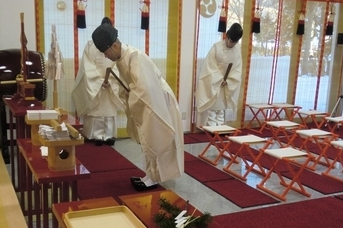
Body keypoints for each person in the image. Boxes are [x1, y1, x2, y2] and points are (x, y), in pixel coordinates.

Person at [91, 23, 184, 190]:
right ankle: (150, 175)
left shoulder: (136, 58)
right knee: (147, 138)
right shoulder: (121, 59)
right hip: (148, 100)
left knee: (155, 137)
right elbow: (133, 87)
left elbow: (145, 89)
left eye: (106, 52)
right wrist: (128, 93)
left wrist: (131, 92)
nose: (106, 57)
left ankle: (154, 178)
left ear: (114, 45)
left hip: (159, 102)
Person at [72, 17, 122, 146]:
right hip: (96, 82)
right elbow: (86, 66)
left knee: (108, 109)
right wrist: (99, 81)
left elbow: (119, 63)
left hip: (110, 81)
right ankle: (97, 135)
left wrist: (110, 80)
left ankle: (108, 135)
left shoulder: (116, 45)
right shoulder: (90, 45)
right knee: (96, 109)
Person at [195, 23, 243, 127]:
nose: (232, 44)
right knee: (212, 110)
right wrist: (218, 79)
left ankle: (220, 129)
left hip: (226, 84)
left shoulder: (237, 50)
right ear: (227, 36)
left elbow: (237, 69)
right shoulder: (216, 48)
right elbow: (209, 66)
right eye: (231, 41)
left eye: (235, 42)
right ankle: (212, 130)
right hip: (215, 82)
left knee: (221, 110)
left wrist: (230, 80)